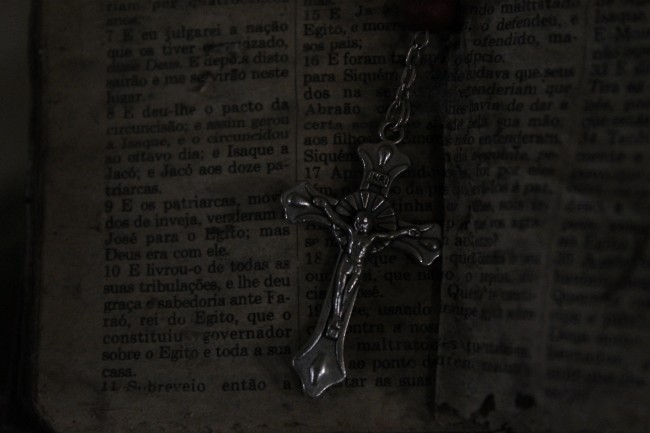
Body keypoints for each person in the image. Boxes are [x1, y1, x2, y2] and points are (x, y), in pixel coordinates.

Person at [312, 197, 420, 338]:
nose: (362, 226)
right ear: (356, 223)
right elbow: (336, 220)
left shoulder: (372, 237)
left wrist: (406, 232)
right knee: (338, 289)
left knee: (349, 291)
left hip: (358, 266)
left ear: (370, 224)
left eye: (365, 223)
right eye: (359, 222)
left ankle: (339, 317)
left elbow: (390, 235)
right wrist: (325, 206)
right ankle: (336, 316)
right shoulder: (351, 232)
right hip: (347, 262)